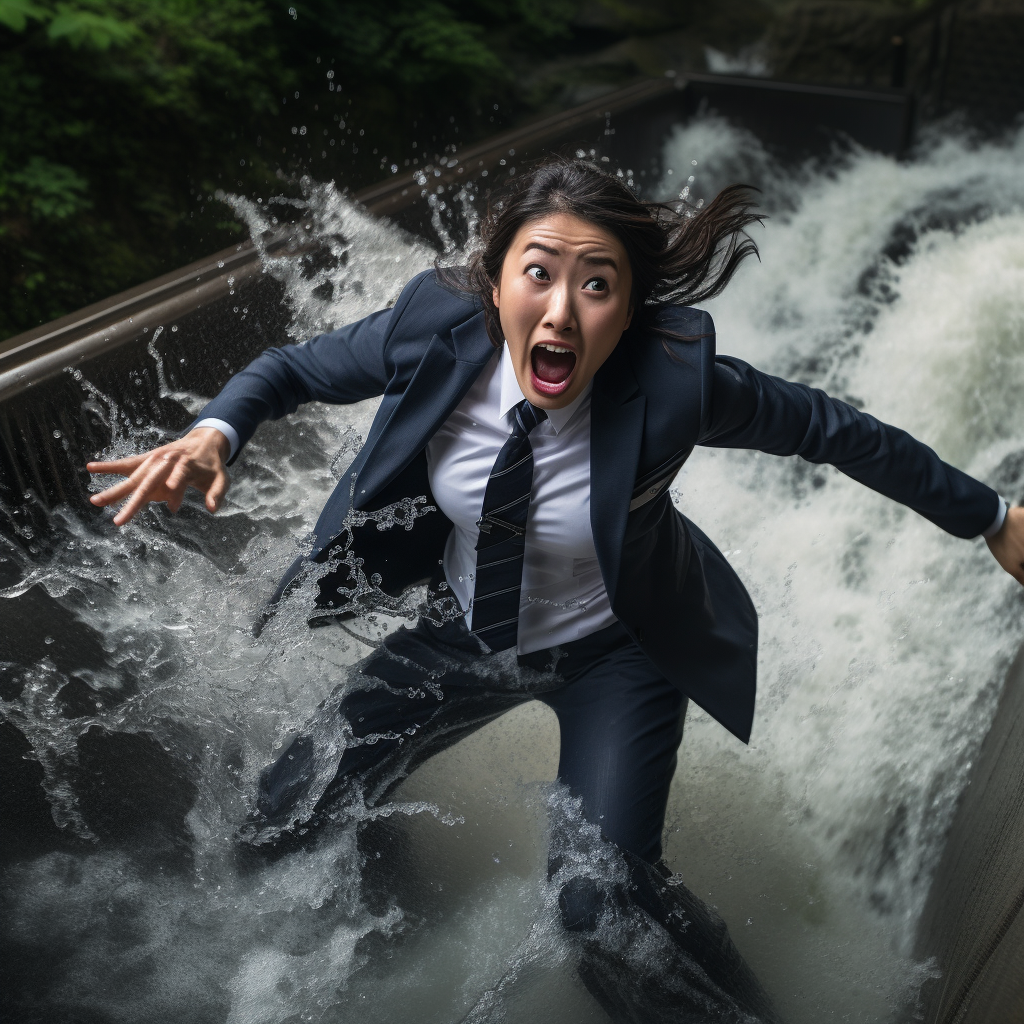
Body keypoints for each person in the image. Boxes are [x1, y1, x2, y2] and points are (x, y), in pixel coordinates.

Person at [87, 159, 1024, 1023]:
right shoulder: (434, 330)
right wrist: (216, 430)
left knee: (600, 915)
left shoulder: (672, 382)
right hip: (464, 635)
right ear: (495, 282)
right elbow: (294, 368)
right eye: (538, 273)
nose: (563, 313)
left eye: (598, 285)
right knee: (286, 813)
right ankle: (377, 941)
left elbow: (834, 430)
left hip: (618, 655)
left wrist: (990, 518)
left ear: (629, 308)